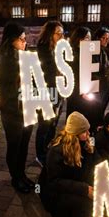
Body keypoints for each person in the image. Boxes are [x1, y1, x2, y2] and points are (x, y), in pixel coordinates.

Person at [38, 112, 96, 217]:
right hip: (54, 191)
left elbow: (90, 164)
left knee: (94, 200)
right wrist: (84, 189)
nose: (88, 134)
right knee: (84, 204)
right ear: (75, 134)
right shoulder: (57, 151)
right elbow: (55, 182)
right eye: (85, 131)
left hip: (72, 183)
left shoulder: (83, 143)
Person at [0, 22, 35, 193]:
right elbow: (2, 87)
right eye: (22, 39)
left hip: (27, 107)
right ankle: (15, 178)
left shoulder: (25, 58)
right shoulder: (3, 59)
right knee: (15, 145)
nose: (25, 43)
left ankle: (21, 174)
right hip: (12, 110)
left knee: (24, 145)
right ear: (11, 40)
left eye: (26, 39)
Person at [35, 21, 64, 168]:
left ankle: (48, 149)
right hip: (47, 91)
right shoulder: (43, 49)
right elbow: (48, 71)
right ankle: (40, 155)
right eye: (58, 33)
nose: (61, 36)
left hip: (59, 90)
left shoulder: (60, 49)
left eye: (62, 33)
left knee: (53, 123)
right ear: (50, 34)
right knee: (44, 125)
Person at [66, 27, 101, 132]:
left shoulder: (92, 53)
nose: (88, 40)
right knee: (76, 120)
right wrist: (80, 92)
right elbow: (73, 76)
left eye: (90, 38)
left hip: (89, 90)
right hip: (77, 93)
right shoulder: (72, 54)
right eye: (86, 37)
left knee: (89, 118)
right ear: (78, 39)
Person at [93, 27, 109, 127]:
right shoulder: (94, 50)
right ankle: (96, 127)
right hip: (99, 83)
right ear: (97, 38)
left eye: (108, 38)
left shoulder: (108, 50)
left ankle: (99, 126)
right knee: (97, 108)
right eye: (103, 38)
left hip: (108, 82)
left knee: (103, 107)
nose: (106, 40)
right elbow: (97, 68)